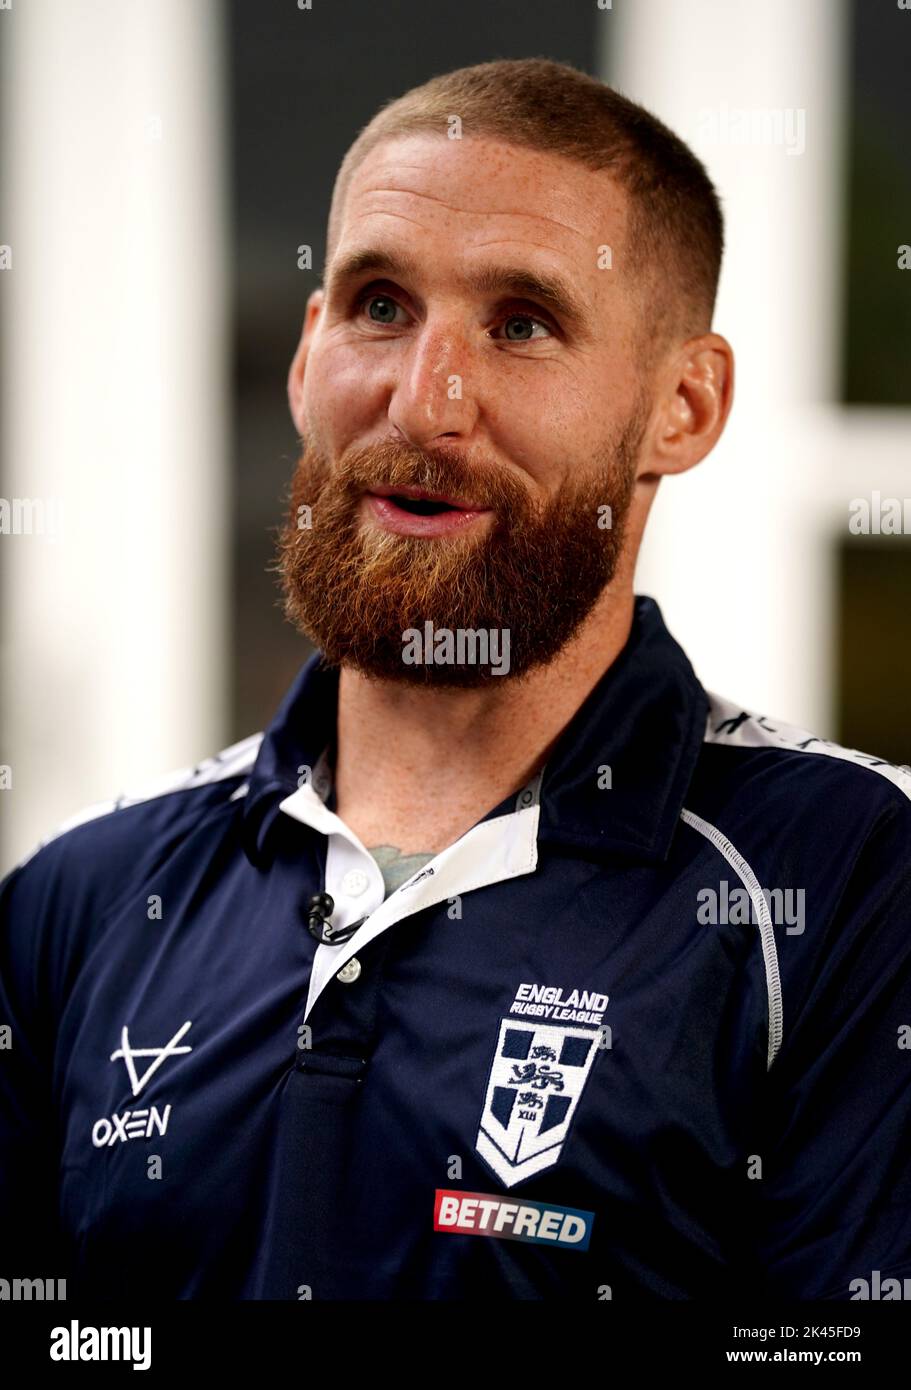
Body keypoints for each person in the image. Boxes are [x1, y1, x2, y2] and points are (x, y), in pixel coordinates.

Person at [2, 58, 909, 1302]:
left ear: (682, 406)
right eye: (379, 305)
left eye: (521, 323)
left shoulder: (849, 878)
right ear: (309, 352)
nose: (424, 403)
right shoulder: (79, 900)